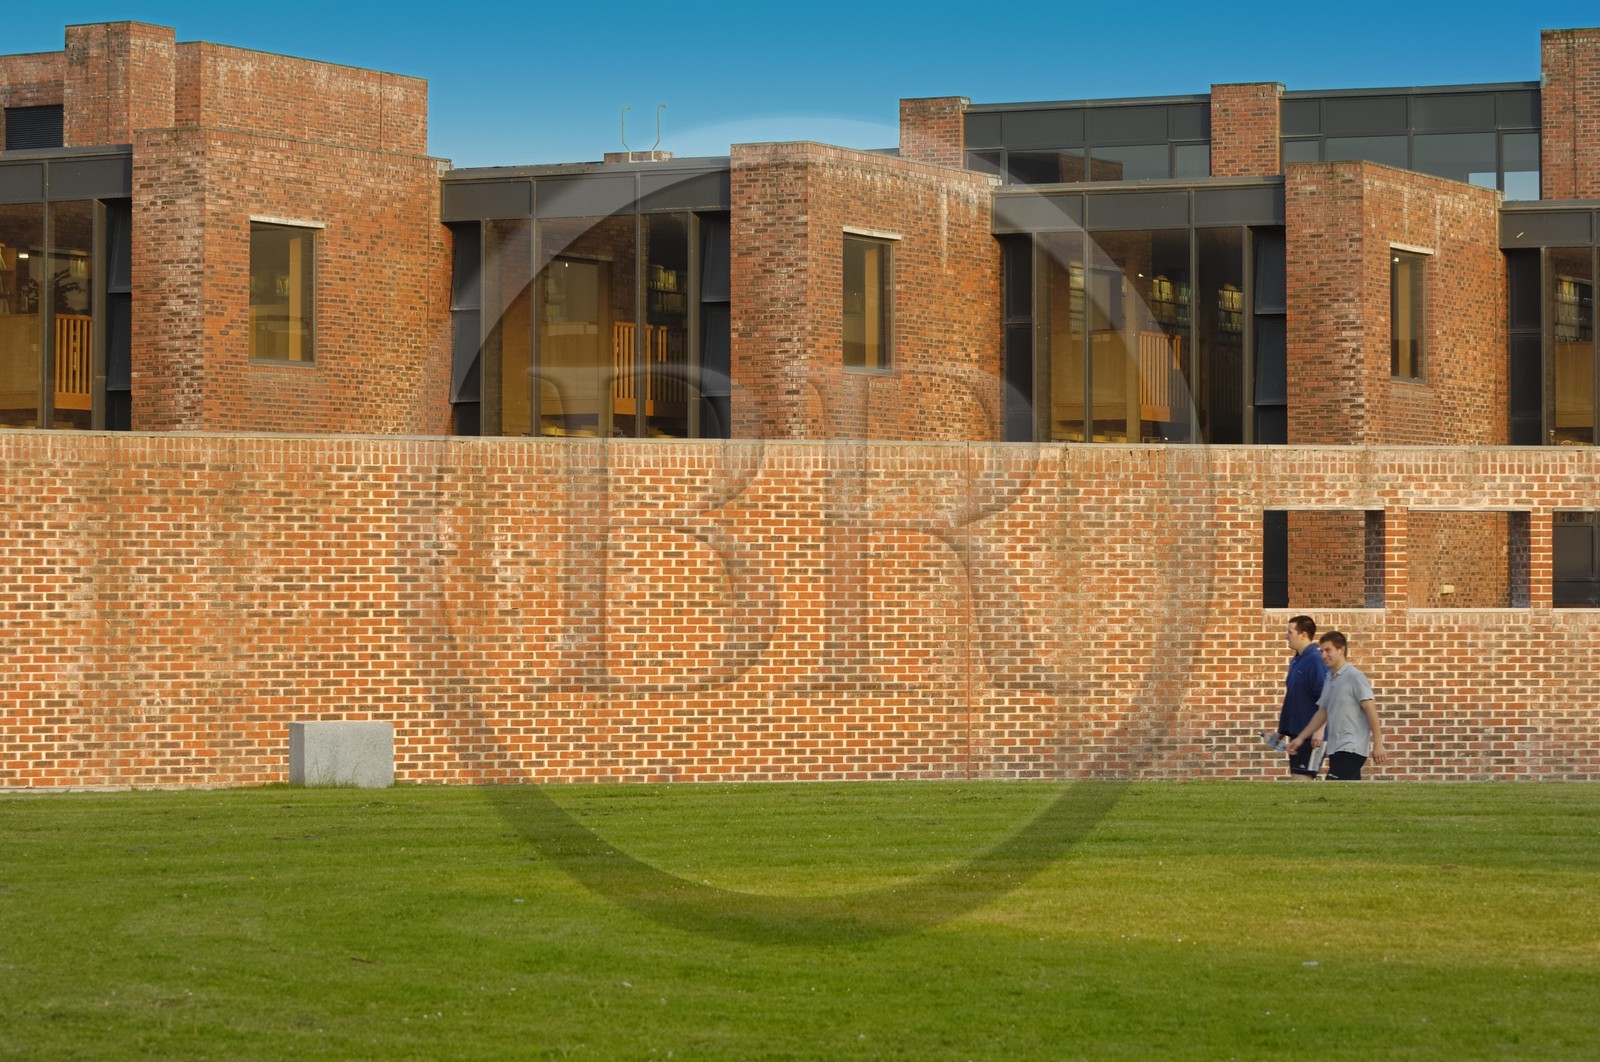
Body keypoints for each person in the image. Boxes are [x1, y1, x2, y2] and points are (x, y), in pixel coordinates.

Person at [1287, 631, 1384, 781]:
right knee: (1347, 797)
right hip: (1336, 748)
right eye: (1321, 651)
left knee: (1333, 790)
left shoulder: (1354, 677)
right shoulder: (1329, 677)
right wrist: (1300, 738)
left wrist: (1378, 744)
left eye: (1328, 650)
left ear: (1341, 650)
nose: (1323, 655)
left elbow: (1371, 711)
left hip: (1351, 748)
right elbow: (1322, 712)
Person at [1267, 615, 1326, 779]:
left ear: (1303, 634)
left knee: (1301, 782)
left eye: (1290, 632)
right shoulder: (1296, 661)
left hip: (1311, 736)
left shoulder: (1316, 660)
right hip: (1297, 735)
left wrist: (1320, 731)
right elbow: (1292, 700)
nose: (1286, 636)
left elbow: (1327, 698)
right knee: (1297, 783)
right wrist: (1282, 731)